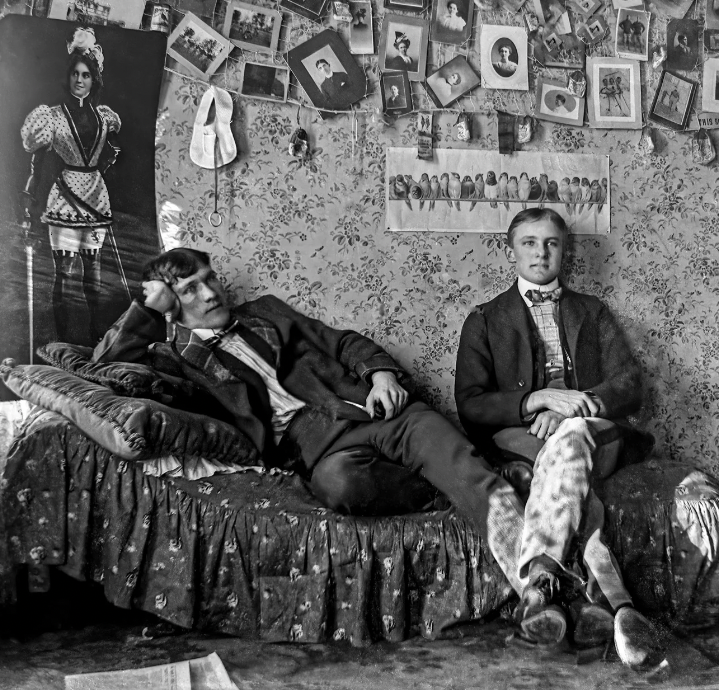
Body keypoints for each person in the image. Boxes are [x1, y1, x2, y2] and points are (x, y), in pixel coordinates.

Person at [93, 247, 534, 603]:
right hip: (318, 450)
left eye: (210, 278)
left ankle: (535, 587)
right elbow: (105, 367)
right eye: (190, 289)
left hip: (376, 412)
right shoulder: (174, 359)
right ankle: (456, 486)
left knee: (457, 461)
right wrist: (144, 307)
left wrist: (381, 376)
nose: (211, 293)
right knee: (341, 488)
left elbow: (341, 341)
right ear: (170, 305)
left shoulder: (266, 312)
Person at [455, 210, 662, 668]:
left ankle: (540, 580)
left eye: (551, 243)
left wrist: (576, 402)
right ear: (511, 249)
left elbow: (629, 383)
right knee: (568, 474)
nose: (540, 252)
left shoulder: (592, 311)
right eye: (529, 243)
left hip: (590, 428)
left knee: (569, 435)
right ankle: (611, 602)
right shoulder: (485, 319)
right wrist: (537, 401)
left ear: (564, 251)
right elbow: (470, 403)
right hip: (523, 436)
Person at [21, 27, 121, 344]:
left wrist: (106, 161)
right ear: (69, 77)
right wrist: (28, 200)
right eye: (75, 74)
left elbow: (111, 151)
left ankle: (95, 336)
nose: (80, 80)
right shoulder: (51, 117)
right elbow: (36, 164)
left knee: (92, 273)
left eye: (86, 75)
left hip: (96, 196)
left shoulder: (106, 117)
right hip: (64, 199)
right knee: (64, 273)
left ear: (95, 80)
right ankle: (62, 337)